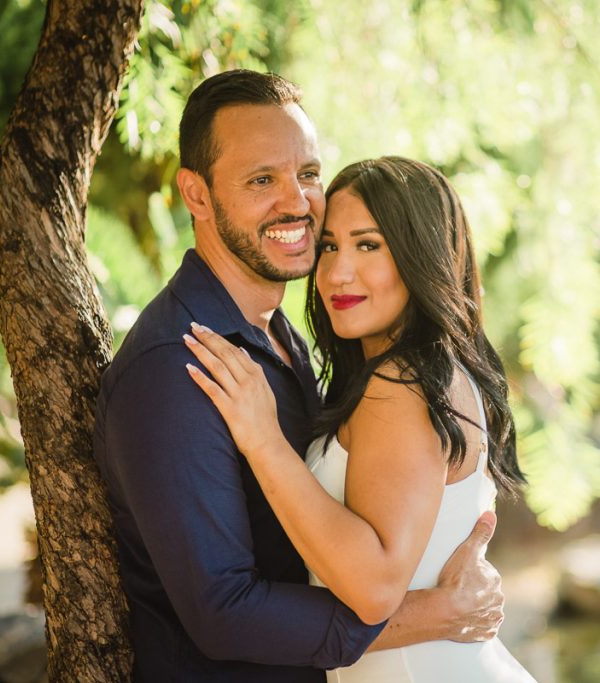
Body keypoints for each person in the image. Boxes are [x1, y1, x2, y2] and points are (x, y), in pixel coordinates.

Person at [93, 71, 504, 682]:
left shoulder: (287, 342)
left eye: (307, 174)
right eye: (262, 180)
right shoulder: (177, 369)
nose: (298, 202)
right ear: (197, 195)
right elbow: (224, 613)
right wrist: (430, 613)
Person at [182, 156, 537, 682]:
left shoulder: (403, 384)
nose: (337, 272)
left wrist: (263, 440)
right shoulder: (421, 374)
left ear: (422, 256)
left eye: (368, 245)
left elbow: (373, 590)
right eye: (329, 247)